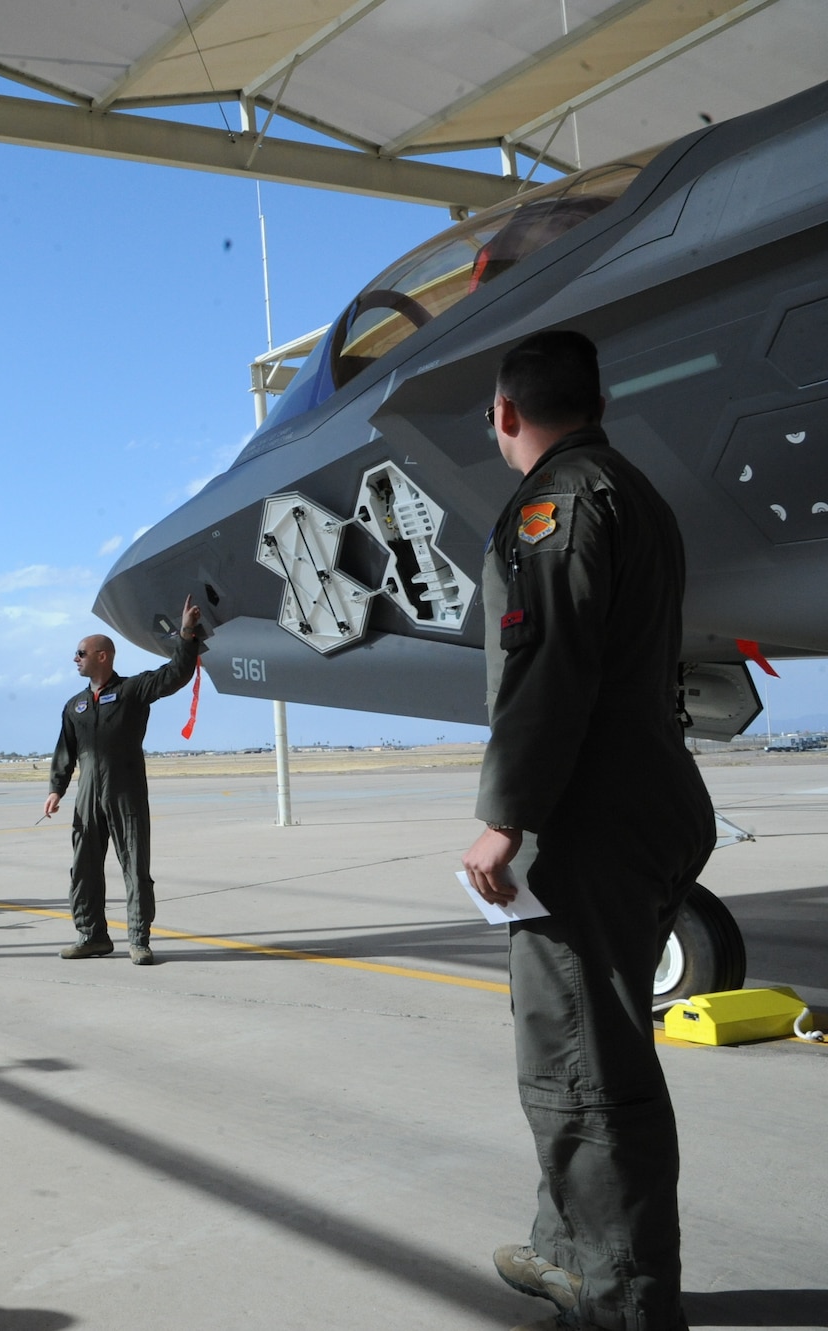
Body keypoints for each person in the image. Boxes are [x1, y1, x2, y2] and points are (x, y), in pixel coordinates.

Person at [459, 330, 714, 1331]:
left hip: (586, 817)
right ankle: (565, 1243)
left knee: (584, 1060)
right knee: (577, 1041)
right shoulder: (629, 490)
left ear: (505, 412)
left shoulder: (552, 504)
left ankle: (617, 1293)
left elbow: (546, 669)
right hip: (642, 799)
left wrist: (502, 818)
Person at [44, 601, 204, 965]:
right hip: (88, 797)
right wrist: (56, 789)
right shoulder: (75, 706)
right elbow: (65, 750)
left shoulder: (133, 691)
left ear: (103, 656)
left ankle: (139, 940)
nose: (76, 659)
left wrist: (187, 634)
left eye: (81, 653)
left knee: (134, 866)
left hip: (125, 792)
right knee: (83, 869)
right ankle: (91, 936)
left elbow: (175, 674)